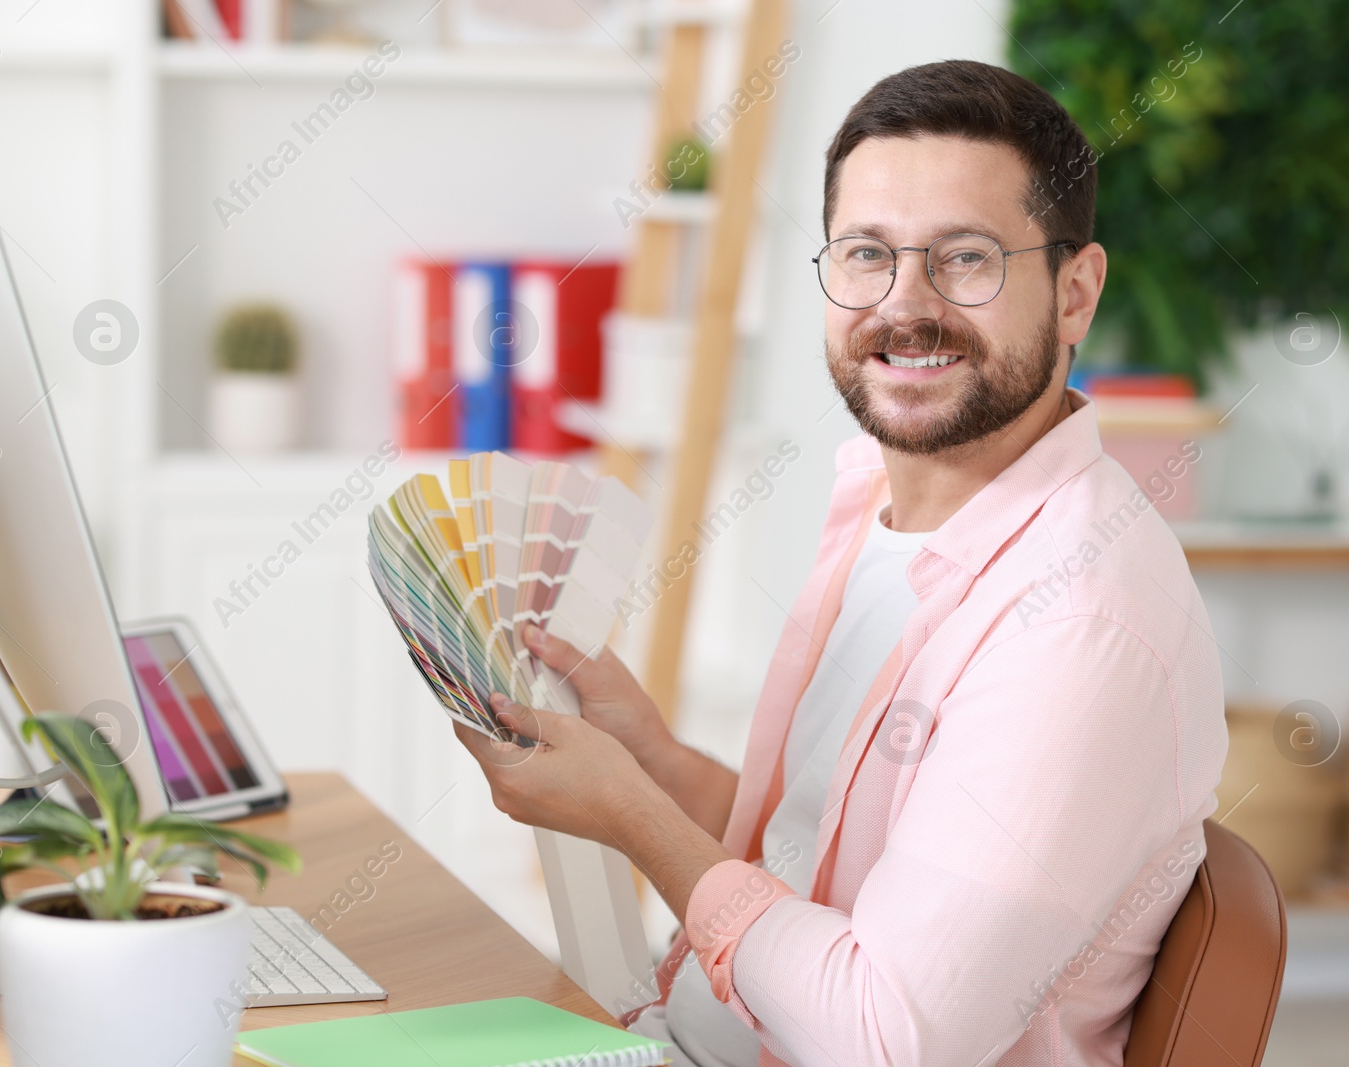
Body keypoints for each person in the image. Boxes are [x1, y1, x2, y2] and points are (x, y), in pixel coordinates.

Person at [454, 58, 1226, 1067]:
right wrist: (655, 760)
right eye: (867, 253)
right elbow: (826, 863)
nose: (906, 306)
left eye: (965, 257)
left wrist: (635, 817)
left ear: (1073, 291)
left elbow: (886, 1033)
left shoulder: (1076, 620)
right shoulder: (887, 509)